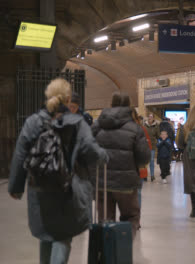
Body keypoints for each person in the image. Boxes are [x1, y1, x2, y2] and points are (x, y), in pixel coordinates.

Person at [8, 78, 108, 264]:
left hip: (39, 189)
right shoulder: (77, 123)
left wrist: (16, 187)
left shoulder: (33, 122)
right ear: (68, 98)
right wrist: (104, 156)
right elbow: (92, 152)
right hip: (67, 190)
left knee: (46, 234)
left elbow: (20, 155)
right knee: (62, 236)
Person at [92, 92, 150, 238]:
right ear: (129, 106)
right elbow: (144, 158)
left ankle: (107, 254)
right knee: (130, 218)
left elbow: (87, 150)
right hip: (126, 183)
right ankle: (123, 251)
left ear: (111, 104)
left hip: (102, 182)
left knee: (105, 220)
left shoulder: (97, 126)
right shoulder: (135, 129)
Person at [144, 113, 160, 182]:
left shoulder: (156, 126)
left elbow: (158, 136)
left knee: (151, 161)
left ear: (153, 118)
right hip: (145, 146)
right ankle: (144, 175)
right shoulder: (144, 125)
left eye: (151, 117)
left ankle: (152, 175)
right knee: (144, 161)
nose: (150, 118)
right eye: (149, 116)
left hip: (152, 146)